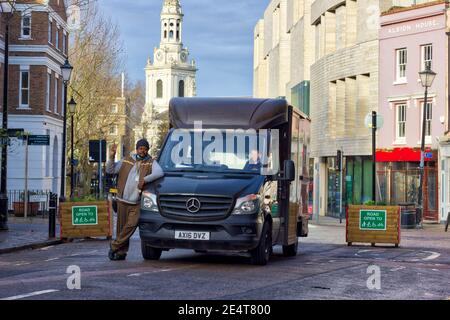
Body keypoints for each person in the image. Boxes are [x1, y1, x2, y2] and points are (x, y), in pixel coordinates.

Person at [106, 139, 164, 261]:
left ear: (147, 150)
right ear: (137, 149)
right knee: (121, 229)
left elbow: (160, 172)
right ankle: (120, 253)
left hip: (137, 202)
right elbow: (110, 170)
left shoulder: (150, 162)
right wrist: (111, 156)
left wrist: (146, 179)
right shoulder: (127, 159)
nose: (143, 151)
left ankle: (114, 245)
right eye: (140, 148)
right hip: (122, 200)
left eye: (145, 149)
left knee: (131, 226)